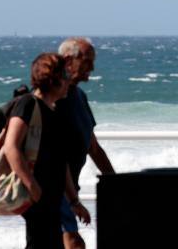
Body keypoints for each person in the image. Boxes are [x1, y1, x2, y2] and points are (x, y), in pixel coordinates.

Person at [3, 53, 91, 249]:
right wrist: (33, 187)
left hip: (53, 200)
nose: (70, 82)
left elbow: (62, 163)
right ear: (54, 80)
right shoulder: (28, 104)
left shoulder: (56, 112)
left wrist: (74, 202)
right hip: (38, 200)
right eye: (66, 77)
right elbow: (11, 147)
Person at [56, 38, 115, 249]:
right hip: (49, 192)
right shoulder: (52, 99)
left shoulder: (79, 97)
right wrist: (72, 201)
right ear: (68, 60)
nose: (92, 67)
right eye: (87, 60)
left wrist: (116, 183)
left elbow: (94, 148)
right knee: (74, 243)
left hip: (69, 190)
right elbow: (52, 154)